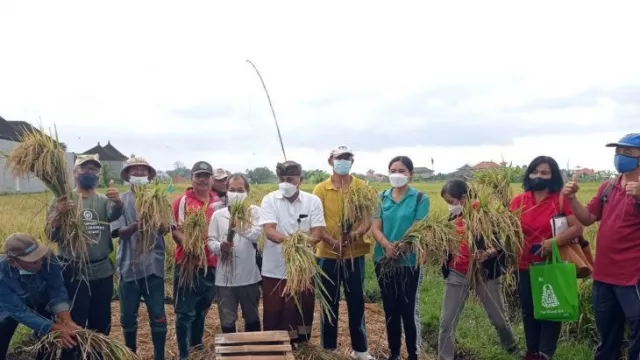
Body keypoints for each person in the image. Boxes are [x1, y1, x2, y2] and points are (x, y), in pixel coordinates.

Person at [563, 134, 640, 360]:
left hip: (632, 277)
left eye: (627, 152)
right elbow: (587, 218)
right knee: (607, 334)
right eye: (617, 152)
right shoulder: (608, 186)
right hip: (604, 275)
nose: (620, 157)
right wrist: (572, 199)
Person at [47, 154, 124, 360]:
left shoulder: (103, 201)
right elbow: (49, 234)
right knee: (74, 323)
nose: (89, 172)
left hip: (101, 272)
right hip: (74, 272)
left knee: (101, 323)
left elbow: (114, 214)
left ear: (98, 174)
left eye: (94, 169)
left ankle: (95, 356)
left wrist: (118, 202)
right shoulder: (61, 200)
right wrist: (58, 215)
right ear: (75, 171)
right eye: (85, 168)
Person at [509, 156, 582, 360]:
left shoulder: (560, 199)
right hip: (524, 264)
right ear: (528, 174)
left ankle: (545, 353)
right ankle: (531, 351)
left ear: (553, 176)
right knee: (529, 309)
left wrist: (553, 242)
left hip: (551, 265)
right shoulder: (519, 201)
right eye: (535, 171)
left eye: (544, 172)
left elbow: (577, 227)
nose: (538, 176)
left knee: (550, 309)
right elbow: (505, 228)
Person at [438, 179, 517, 360]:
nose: (450, 207)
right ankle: (444, 357)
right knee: (447, 320)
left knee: (498, 317)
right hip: (457, 273)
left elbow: (498, 244)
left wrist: (486, 254)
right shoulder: (452, 219)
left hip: (485, 274)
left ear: (464, 198)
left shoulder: (484, 215)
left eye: (451, 202)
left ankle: (511, 346)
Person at [312, 145, 375, 360]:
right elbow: (316, 222)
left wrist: (354, 235)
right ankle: (328, 349)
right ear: (331, 161)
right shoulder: (321, 189)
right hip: (327, 255)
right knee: (328, 302)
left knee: (356, 300)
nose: (343, 161)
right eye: (339, 158)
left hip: (354, 254)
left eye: (347, 158)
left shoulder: (362, 188)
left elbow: (368, 219)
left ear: (352, 162)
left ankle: (360, 349)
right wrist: (331, 241)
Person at [259, 161, 325, 343]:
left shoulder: (313, 201)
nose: (285, 183)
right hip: (275, 269)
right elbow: (270, 231)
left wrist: (301, 247)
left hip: (304, 269)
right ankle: (276, 347)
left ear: (300, 180)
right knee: (275, 311)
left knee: (301, 309)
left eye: (290, 179)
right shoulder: (269, 199)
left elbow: (318, 232)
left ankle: (301, 347)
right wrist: (292, 243)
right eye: (282, 179)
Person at [371, 156, 429, 360]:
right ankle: (394, 353)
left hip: (409, 262)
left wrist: (404, 247)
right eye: (393, 170)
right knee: (390, 309)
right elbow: (375, 228)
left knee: (408, 308)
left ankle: (413, 354)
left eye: (402, 171)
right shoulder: (380, 197)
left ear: (410, 174)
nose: (397, 174)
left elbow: (419, 230)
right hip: (383, 261)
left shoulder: (420, 198)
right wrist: (387, 245)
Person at [111, 157, 167, 360]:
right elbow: (118, 232)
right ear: (128, 176)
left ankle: (159, 356)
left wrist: (158, 222)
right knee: (127, 317)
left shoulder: (158, 199)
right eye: (135, 171)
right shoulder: (120, 202)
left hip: (153, 265)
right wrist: (136, 225)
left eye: (144, 171)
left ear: (149, 175)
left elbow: (165, 229)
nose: (140, 174)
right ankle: (131, 354)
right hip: (129, 266)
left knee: (158, 314)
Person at [0, 233, 80, 360]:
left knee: (48, 340)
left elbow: (56, 288)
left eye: (40, 256)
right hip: (10, 308)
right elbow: (19, 311)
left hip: (42, 299)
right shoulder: (2, 275)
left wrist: (66, 320)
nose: (40, 262)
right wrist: (53, 328)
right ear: (13, 262)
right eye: (33, 261)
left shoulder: (47, 257)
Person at [171, 161, 221, 360]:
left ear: (212, 180)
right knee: (185, 312)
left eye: (206, 176)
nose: (202, 179)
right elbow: (176, 231)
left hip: (212, 264)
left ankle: (196, 344)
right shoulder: (183, 200)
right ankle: (184, 353)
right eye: (198, 175)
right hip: (188, 265)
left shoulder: (217, 202)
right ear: (191, 178)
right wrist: (192, 248)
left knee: (203, 307)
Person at [208, 174, 262, 334]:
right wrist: (221, 247)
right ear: (226, 190)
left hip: (249, 277)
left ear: (247, 192)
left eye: (240, 190)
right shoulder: (218, 215)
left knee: (252, 317)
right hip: (224, 279)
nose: (236, 193)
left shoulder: (255, 212)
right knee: (227, 319)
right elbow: (211, 241)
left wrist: (237, 226)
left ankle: (253, 354)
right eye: (232, 190)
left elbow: (256, 235)